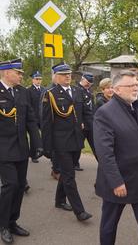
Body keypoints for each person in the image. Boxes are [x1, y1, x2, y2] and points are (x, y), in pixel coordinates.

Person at [93, 70, 138, 245]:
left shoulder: (137, 108)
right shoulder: (105, 113)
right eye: (130, 85)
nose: (135, 88)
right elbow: (104, 152)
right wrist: (116, 181)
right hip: (118, 181)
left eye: (136, 85)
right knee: (109, 223)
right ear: (116, 89)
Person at [41, 62, 92, 221]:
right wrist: (47, 147)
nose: (68, 76)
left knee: (66, 172)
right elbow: (46, 123)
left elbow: (86, 113)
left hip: (76, 139)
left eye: (69, 74)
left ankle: (59, 200)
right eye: (63, 74)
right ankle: (80, 211)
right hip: (60, 142)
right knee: (69, 175)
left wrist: (93, 130)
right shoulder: (50, 94)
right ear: (56, 76)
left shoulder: (77, 91)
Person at [0, 58, 42, 244]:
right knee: (10, 185)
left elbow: (31, 120)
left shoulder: (22, 92)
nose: (20, 76)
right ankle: (3, 225)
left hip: (20, 148)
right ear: (6, 72)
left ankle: (12, 221)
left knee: (18, 187)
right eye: (18, 73)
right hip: (2, 148)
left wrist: (37, 144)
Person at [74, 73, 96, 170]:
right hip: (82, 123)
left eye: (90, 83)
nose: (88, 84)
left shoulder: (88, 91)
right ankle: (74, 163)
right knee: (78, 145)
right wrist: (80, 121)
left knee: (95, 143)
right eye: (87, 82)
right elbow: (77, 108)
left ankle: (103, 163)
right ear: (82, 79)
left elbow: (92, 107)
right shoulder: (77, 90)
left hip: (90, 121)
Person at [27, 71, 44, 163]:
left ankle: (48, 152)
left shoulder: (44, 90)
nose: (38, 81)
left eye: (40, 79)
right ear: (33, 80)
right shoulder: (28, 91)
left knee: (46, 135)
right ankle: (34, 155)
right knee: (34, 136)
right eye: (37, 79)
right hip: (33, 117)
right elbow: (28, 105)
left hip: (42, 117)